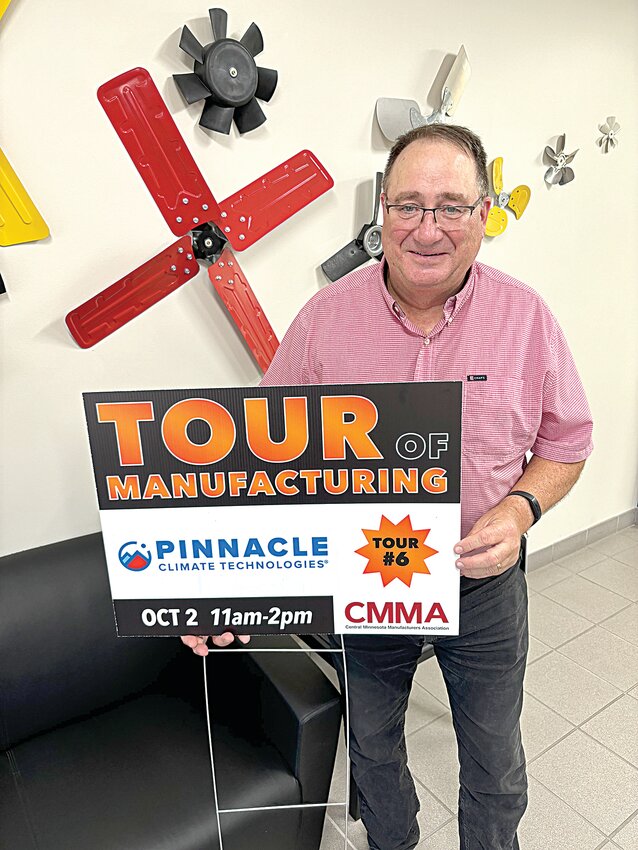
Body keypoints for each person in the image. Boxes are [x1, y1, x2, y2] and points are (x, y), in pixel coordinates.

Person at [182, 124, 593, 850]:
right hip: (368, 580)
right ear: (381, 214)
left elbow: (567, 441)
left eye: (451, 206)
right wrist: (221, 584)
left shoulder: (527, 320)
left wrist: (522, 508)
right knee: (372, 747)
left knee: (495, 762)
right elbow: (259, 454)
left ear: (485, 214)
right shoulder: (322, 323)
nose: (427, 229)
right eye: (408, 205)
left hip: (484, 582)